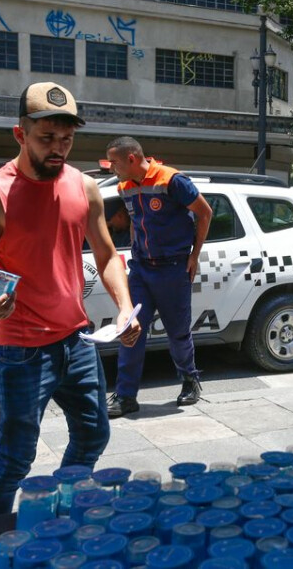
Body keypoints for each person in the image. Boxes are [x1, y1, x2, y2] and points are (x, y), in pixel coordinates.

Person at [0, 81, 141, 517]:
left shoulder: (84, 186)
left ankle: (57, 510)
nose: (59, 149)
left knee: (94, 435)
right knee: (16, 457)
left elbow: (109, 254)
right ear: (20, 134)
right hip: (20, 349)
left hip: (76, 341)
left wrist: (125, 307)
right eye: (47, 139)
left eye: (67, 139)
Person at [104, 136, 212, 418]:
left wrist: (194, 255)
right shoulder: (124, 186)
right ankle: (126, 396)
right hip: (141, 269)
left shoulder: (172, 180)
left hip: (173, 268)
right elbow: (135, 222)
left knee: (178, 332)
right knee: (130, 330)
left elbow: (205, 213)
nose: (111, 167)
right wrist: (132, 254)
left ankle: (189, 380)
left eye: (114, 162)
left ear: (131, 159)